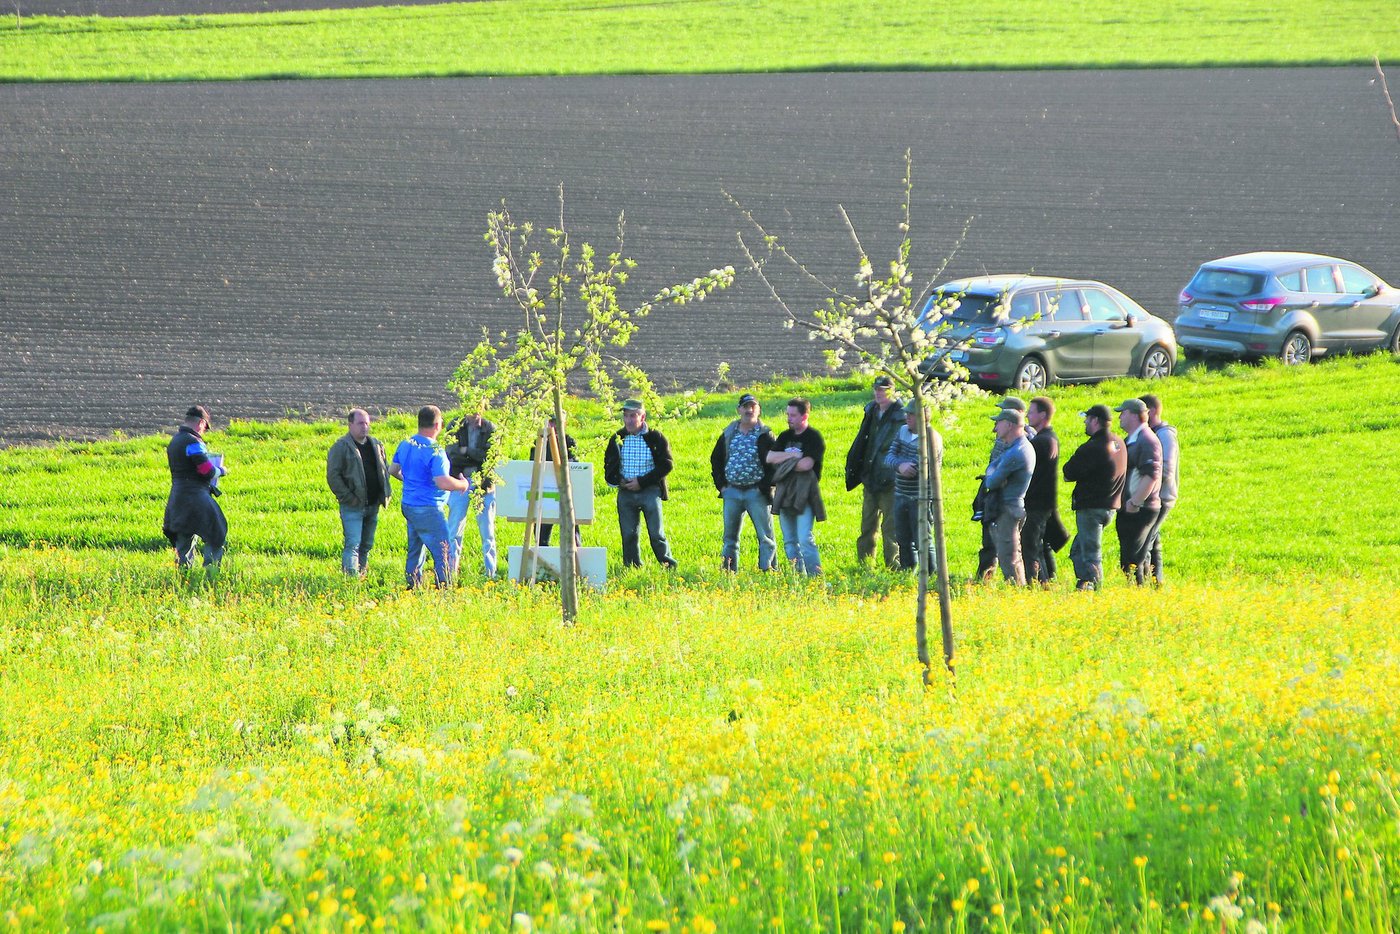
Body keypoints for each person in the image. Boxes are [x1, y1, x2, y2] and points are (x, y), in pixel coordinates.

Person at [389, 405, 468, 589]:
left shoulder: (406, 444)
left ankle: (413, 585)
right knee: (443, 550)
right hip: (429, 508)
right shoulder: (435, 451)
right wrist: (462, 485)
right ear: (438, 425)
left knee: (415, 548)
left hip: (409, 504)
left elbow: (393, 470)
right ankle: (445, 587)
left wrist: (411, 481)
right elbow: (442, 482)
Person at [603, 399, 677, 569]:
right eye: (626, 416)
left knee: (656, 534)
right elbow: (608, 462)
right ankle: (632, 566)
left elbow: (666, 464)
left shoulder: (655, 437)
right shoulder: (618, 438)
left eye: (633, 416)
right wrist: (618, 480)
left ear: (642, 417)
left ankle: (668, 564)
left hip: (650, 491)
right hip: (626, 492)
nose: (629, 420)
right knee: (628, 534)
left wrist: (641, 482)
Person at [1061, 403, 1127, 591]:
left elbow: (1068, 473)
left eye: (1087, 419)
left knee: (1091, 553)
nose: (1085, 422)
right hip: (1111, 506)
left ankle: (1095, 588)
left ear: (1095, 421)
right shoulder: (1119, 443)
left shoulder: (1092, 447)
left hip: (1091, 508)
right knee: (1077, 550)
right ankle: (1084, 585)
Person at [710, 393, 777, 571]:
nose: (749, 410)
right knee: (730, 538)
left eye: (753, 406)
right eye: (746, 407)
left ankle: (768, 570)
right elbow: (716, 459)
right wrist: (722, 485)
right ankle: (729, 571)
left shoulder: (766, 434)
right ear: (739, 410)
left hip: (757, 493)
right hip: (731, 492)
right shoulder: (729, 433)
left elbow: (776, 464)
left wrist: (765, 486)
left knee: (766, 537)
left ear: (759, 410)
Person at [845, 375, 905, 568]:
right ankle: (865, 564)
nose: (879, 393)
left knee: (891, 528)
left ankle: (893, 566)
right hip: (870, 477)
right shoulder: (871, 411)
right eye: (876, 389)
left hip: (891, 479)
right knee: (867, 526)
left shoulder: (901, 416)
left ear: (893, 391)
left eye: (883, 390)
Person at [325, 408, 392, 576]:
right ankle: (350, 579)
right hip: (352, 506)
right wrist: (349, 498)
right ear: (350, 425)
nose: (364, 427)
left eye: (367, 423)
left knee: (366, 544)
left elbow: (385, 469)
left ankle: (361, 574)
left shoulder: (376, 444)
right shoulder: (340, 447)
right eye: (360, 423)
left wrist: (385, 493)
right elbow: (333, 476)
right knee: (353, 544)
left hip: (373, 504)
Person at [163, 405, 227, 573]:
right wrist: (221, 470)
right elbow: (206, 471)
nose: (203, 431)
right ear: (201, 423)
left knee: (183, 540)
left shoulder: (174, 441)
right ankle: (211, 575)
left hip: (177, 498)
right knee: (216, 533)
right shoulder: (194, 442)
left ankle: (184, 577)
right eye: (205, 428)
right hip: (196, 496)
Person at [768, 397, 826, 575]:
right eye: (788, 414)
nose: (789, 418)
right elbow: (770, 458)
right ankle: (798, 577)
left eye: (793, 415)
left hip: (805, 495)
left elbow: (806, 465)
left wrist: (783, 462)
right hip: (784, 494)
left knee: (805, 539)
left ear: (804, 416)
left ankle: (816, 578)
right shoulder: (785, 436)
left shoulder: (813, 437)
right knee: (789, 542)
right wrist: (793, 456)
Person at [975, 397, 1031, 580]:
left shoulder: (1017, 451)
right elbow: (992, 468)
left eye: (998, 422)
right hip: (1008, 506)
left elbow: (991, 481)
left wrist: (993, 475)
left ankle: (1017, 590)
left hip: (1009, 508)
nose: (995, 428)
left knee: (1009, 557)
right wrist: (994, 473)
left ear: (1009, 425)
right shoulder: (1013, 448)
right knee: (1009, 554)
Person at [885, 401, 943, 572]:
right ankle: (907, 571)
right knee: (903, 538)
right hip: (900, 493)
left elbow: (921, 466)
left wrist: (901, 464)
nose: (907, 417)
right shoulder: (902, 431)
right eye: (907, 414)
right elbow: (889, 457)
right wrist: (900, 465)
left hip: (921, 497)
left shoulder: (932, 438)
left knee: (923, 539)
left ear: (923, 417)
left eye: (911, 414)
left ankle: (930, 573)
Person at [1114, 398, 1163, 585]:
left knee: (1133, 559)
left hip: (1140, 508)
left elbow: (1151, 475)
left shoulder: (1147, 440)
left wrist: (1135, 501)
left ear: (1134, 415)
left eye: (1123, 413)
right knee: (1129, 559)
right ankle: (1138, 590)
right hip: (1129, 507)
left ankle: (1139, 590)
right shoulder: (1132, 440)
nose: (1120, 417)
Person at [446, 411, 497, 579]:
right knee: (454, 530)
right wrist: (475, 456)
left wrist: (466, 450)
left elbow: (489, 458)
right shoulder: (455, 426)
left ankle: (491, 574)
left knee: (487, 531)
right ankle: (450, 574)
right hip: (459, 481)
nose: (475, 412)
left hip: (484, 484)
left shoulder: (490, 428)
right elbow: (452, 455)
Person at [1021, 396, 1062, 585]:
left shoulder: (1042, 441)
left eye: (1031, 412)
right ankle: (1049, 580)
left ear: (1043, 415)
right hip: (1043, 502)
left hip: (1036, 503)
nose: (1028, 415)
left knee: (1031, 546)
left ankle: (1038, 583)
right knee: (1042, 545)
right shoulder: (1048, 438)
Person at [1140, 393, 1178, 584]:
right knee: (1153, 541)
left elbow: (1166, 468)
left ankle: (1145, 581)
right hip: (1154, 496)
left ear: (1152, 411)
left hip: (1161, 496)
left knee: (1146, 541)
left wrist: (1147, 486)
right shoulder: (1154, 433)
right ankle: (1157, 582)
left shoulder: (1165, 435)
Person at [530, 418, 579, 547]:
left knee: (573, 536)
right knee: (541, 537)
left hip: (566, 493)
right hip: (546, 494)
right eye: (552, 422)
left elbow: (574, 464)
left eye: (558, 422)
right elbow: (532, 465)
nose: (554, 426)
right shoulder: (539, 441)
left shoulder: (569, 441)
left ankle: (575, 555)